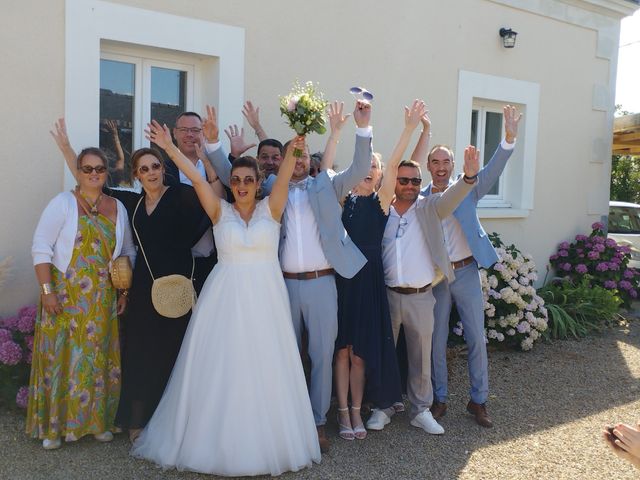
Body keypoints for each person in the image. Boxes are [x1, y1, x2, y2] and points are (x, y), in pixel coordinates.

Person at [131, 115, 320, 476]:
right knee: (222, 368)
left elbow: (287, 169)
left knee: (267, 367)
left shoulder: (273, 209)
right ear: (231, 184)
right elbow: (199, 178)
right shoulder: (220, 212)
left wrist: (299, 135)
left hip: (266, 300)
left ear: (259, 183)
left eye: (249, 180)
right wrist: (170, 146)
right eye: (237, 180)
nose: (243, 185)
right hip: (225, 299)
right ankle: (212, 441)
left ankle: (270, 443)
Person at [207, 100, 372, 452]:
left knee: (322, 354)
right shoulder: (268, 188)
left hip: (322, 282)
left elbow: (360, 168)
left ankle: (316, 421)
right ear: (281, 161)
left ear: (309, 158)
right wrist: (211, 145)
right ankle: (285, 420)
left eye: (303, 154)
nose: (297, 161)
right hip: (280, 286)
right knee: (285, 354)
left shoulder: (328, 185)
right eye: (291, 155)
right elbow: (230, 173)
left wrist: (362, 128)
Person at [51, 121, 212, 442]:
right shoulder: (133, 205)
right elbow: (91, 183)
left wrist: (170, 148)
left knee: (174, 356)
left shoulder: (181, 196)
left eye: (155, 166)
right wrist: (68, 151)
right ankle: (139, 420)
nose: (151, 172)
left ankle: (174, 423)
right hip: (143, 292)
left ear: (162, 170)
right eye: (144, 168)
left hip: (178, 291)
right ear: (136, 175)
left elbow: (205, 189)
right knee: (140, 356)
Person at [415, 105, 521, 428]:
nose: (442, 167)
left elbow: (491, 171)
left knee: (476, 336)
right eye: (436, 161)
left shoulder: (467, 187)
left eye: (447, 161)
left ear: (453, 165)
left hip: (465, 271)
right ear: (429, 166)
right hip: (436, 277)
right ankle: (440, 399)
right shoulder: (419, 199)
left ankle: (478, 400)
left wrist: (509, 138)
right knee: (436, 340)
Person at [328, 100, 427, 440]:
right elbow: (325, 172)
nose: (369, 169)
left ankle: (358, 410)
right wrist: (337, 133)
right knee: (341, 350)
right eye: (364, 164)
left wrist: (410, 128)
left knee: (360, 355)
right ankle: (342, 412)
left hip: (369, 283)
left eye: (375, 165)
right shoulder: (341, 199)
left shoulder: (380, 201)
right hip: (342, 281)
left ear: (382, 173)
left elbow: (397, 160)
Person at [367, 144, 481, 435]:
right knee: (385, 356)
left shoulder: (429, 207)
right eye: (403, 180)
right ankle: (383, 407)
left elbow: (451, 198)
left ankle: (421, 410)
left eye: (415, 181)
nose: (409, 185)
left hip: (420, 296)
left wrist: (468, 179)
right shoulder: (382, 210)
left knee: (422, 357)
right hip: (388, 296)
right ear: (394, 181)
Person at [28, 147, 136, 450]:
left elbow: (126, 252)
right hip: (63, 295)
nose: (93, 174)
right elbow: (41, 248)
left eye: (99, 169)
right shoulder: (62, 203)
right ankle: (55, 429)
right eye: (87, 169)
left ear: (106, 172)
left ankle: (96, 424)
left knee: (97, 360)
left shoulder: (117, 207)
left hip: (101, 299)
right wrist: (47, 291)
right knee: (61, 359)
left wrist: (123, 290)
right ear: (78, 172)